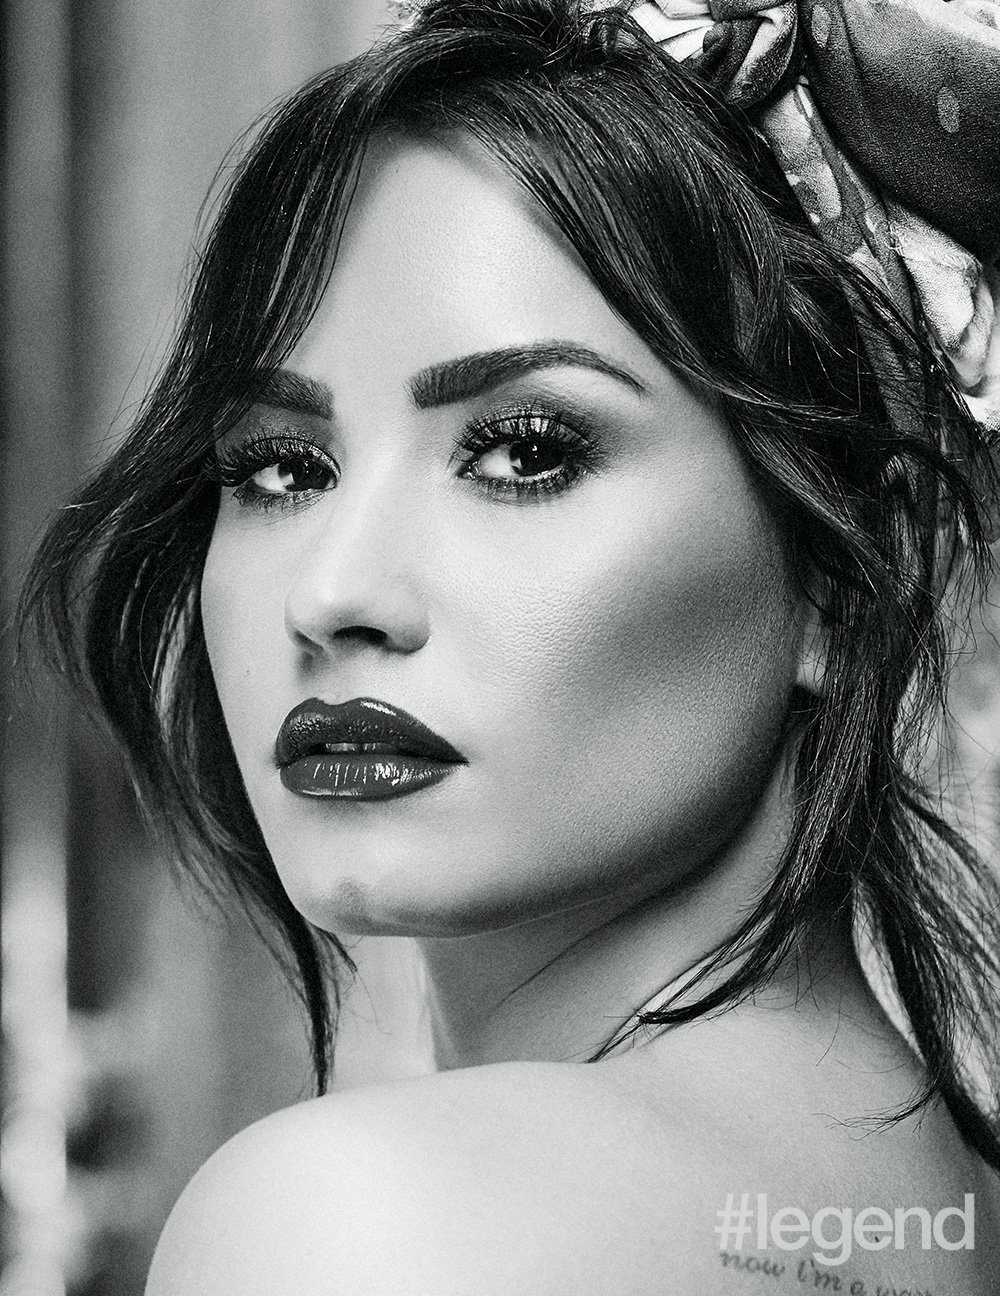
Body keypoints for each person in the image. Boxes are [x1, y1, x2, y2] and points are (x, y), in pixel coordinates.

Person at [19, 0, 1000, 1290]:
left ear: (855, 567)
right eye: (279, 467)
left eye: (525, 452)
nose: (334, 592)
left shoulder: (362, 1222)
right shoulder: (941, 1214)